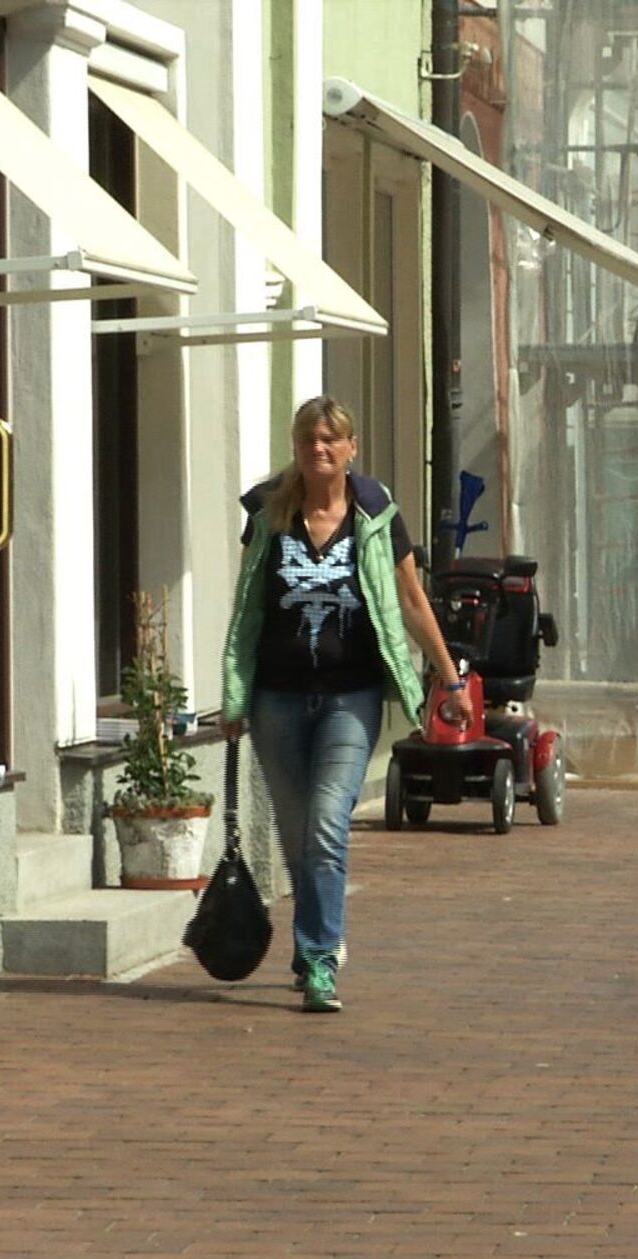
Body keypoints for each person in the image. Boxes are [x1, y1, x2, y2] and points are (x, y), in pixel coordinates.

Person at [221, 396, 472, 1013]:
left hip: (349, 700)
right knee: (297, 833)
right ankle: (314, 944)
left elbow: (413, 601)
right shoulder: (268, 515)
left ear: (351, 448)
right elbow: (247, 612)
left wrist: (450, 680)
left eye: (331, 439)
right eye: (309, 439)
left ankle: (319, 957)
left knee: (328, 830)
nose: (319, 449)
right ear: (296, 446)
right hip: (277, 699)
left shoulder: (377, 513)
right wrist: (232, 692)